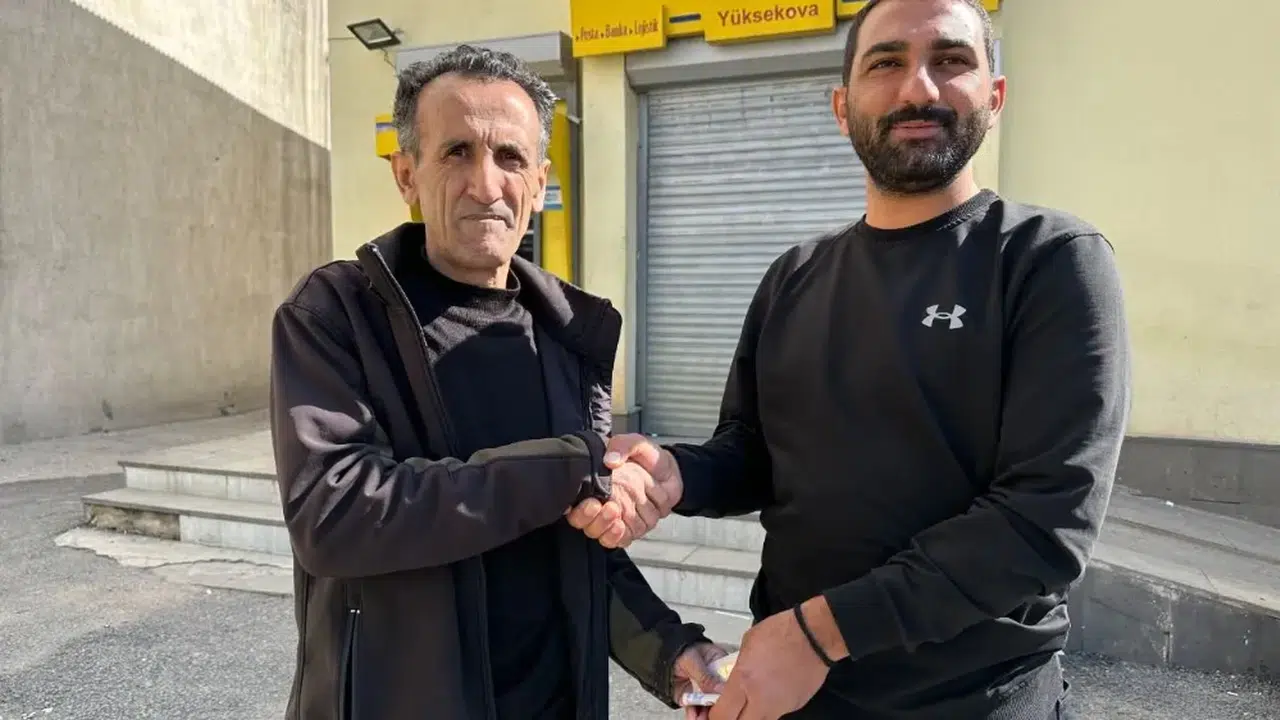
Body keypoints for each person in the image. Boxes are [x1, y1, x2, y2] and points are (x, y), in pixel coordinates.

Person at [568, 0, 1131, 718]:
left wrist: (816, 634)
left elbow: (1043, 523)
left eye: (950, 61)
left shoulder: (1048, 261)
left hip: (972, 700)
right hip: (800, 696)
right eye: (886, 62)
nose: (918, 88)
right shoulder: (795, 276)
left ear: (994, 97)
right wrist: (678, 473)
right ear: (842, 107)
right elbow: (754, 452)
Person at [269, 44, 726, 720]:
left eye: (509, 157)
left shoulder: (568, 336)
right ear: (406, 174)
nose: (485, 184)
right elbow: (334, 517)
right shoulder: (337, 314)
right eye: (456, 152)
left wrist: (670, 650)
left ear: (538, 183)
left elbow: (577, 543)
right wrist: (572, 467)